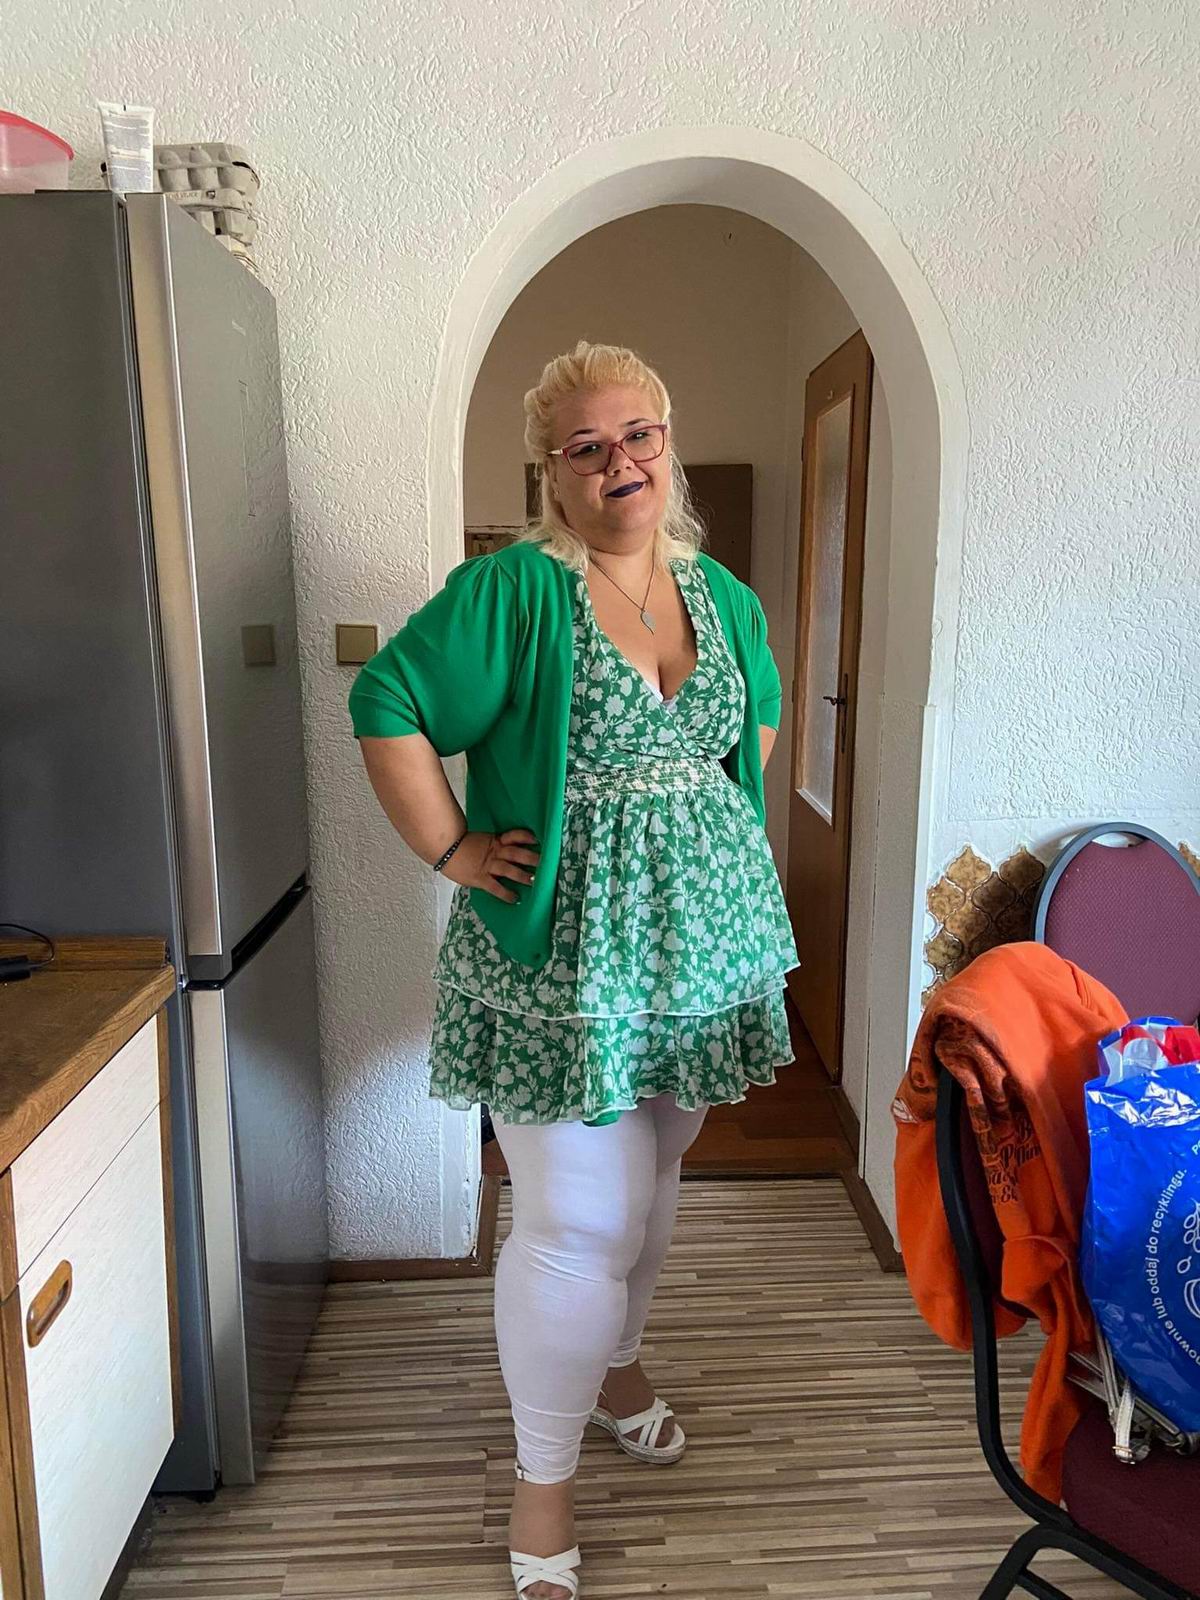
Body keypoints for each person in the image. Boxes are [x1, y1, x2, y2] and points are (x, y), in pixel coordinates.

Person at [349, 340, 800, 1599]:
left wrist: (697, 826)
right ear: (553, 474)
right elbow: (387, 701)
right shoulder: (514, 592)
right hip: (567, 960)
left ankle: (616, 1364)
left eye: (638, 434)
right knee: (577, 1218)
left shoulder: (719, 592)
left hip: (699, 954)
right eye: (587, 447)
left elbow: (758, 712)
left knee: (652, 1181)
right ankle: (539, 1483)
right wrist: (452, 848)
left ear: (668, 439)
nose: (621, 462)